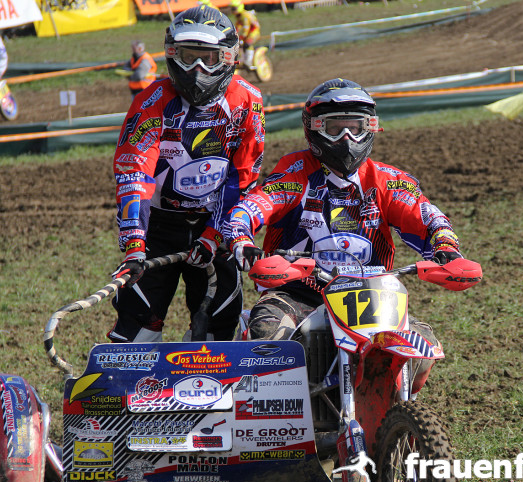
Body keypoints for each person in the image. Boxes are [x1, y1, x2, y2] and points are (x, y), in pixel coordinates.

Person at [223, 78, 464, 344]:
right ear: (314, 127)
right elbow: (250, 207)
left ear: (370, 127)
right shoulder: (294, 174)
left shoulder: (387, 181)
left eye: (355, 128)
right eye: (335, 128)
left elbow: (429, 217)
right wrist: (242, 241)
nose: (346, 138)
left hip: (370, 295)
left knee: (423, 344)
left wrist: (446, 247)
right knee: (267, 333)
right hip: (297, 293)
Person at [109, 5, 265, 343]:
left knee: (217, 327)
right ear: (171, 54)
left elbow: (242, 178)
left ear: (228, 58)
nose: (197, 70)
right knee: (136, 328)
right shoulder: (151, 101)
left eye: (208, 59)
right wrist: (135, 243)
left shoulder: (247, 102)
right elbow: (134, 172)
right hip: (157, 226)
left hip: (215, 222)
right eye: (187, 57)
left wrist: (214, 235)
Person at [230, 0, 261, 69]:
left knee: (247, 44)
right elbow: (237, 26)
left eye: (234, 8)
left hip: (254, 31)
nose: (233, 10)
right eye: (232, 8)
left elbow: (246, 27)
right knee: (240, 45)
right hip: (249, 32)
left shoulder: (245, 15)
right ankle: (243, 60)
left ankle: (248, 62)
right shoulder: (239, 16)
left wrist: (242, 36)